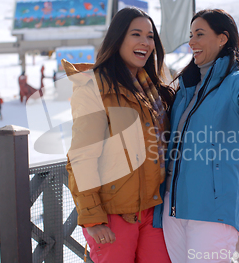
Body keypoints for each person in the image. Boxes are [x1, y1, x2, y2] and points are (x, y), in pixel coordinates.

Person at [154, 9, 239, 262]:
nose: (192, 42)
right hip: (173, 205)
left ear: (222, 38)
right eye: (191, 35)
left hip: (212, 209)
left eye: (200, 34)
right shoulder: (187, 86)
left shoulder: (237, 81)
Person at [63, 7, 173, 263]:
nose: (145, 42)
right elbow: (82, 157)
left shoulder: (150, 90)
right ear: (118, 39)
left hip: (151, 211)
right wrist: (92, 218)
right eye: (136, 34)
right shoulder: (95, 88)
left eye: (150, 36)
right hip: (113, 215)